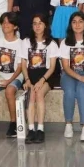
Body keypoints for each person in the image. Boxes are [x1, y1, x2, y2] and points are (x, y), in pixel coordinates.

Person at [20, 13, 59, 143]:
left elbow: (52, 67)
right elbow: (23, 64)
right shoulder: (26, 42)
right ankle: (31, 129)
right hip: (30, 74)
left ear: (45, 25)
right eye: (35, 23)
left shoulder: (52, 43)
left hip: (47, 75)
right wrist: (27, 79)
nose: (37, 26)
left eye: (40, 23)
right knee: (31, 94)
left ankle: (40, 129)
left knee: (39, 93)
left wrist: (42, 80)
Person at [0, 12, 24, 138]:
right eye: (3, 22)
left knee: (9, 91)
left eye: (8, 22)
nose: (5, 25)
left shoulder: (21, 43)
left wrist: (8, 81)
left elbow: (20, 67)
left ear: (15, 26)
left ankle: (14, 123)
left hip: (15, 76)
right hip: (0, 76)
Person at [59, 12, 84, 141]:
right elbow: (65, 66)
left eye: (80, 21)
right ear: (70, 25)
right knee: (69, 91)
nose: (77, 24)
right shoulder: (65, 42)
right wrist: (80, 78)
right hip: (69, 73)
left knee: (81, 90)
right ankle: (68, 124)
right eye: (74, 22)